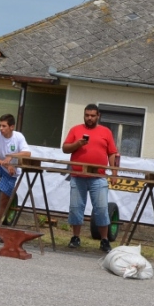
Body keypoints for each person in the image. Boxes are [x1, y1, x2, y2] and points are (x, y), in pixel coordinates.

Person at [62, 104, 118, 253]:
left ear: (98, 116)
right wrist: (77, 144)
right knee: (75, 208)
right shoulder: (76, 130)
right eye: (87, 115)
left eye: (92, 115)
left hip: (98, 177)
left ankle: (104, 239)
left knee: (101, 209)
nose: (89, 118)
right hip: (78, 175)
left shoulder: (105, 131)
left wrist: (114, 173)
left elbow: (112, 153)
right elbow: (65, 148)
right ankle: (75, 237)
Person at [0, 114, 30, 228]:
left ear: (12, 127)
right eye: (0, 125)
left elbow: (27, 153)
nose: (1, 129)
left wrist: (12, 156)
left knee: (3, 201)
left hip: (11, 172)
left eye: (4, 126)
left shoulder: (18, 137)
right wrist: (4, 163)